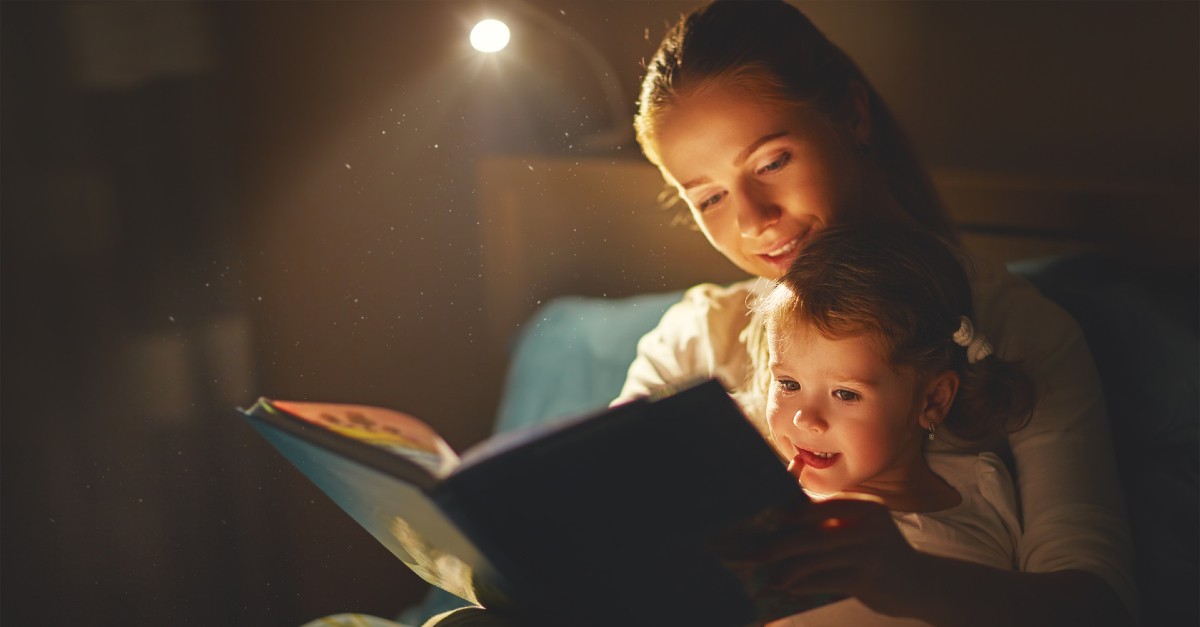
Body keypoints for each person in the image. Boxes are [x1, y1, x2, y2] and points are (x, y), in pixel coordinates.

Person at [616, 0, 1138, 625]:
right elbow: (606, 524)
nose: (753, 219)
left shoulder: (1020, 333)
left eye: (773, 161)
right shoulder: (692, 341)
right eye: (710, 197)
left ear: (852, 116)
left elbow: (1099, 604)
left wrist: (912, 581)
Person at [735, 221, 1030, 625]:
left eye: (846, 394)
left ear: (932, 400)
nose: (806, 419)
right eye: (788, 384)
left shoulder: (982, 486)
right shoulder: (761, 502)